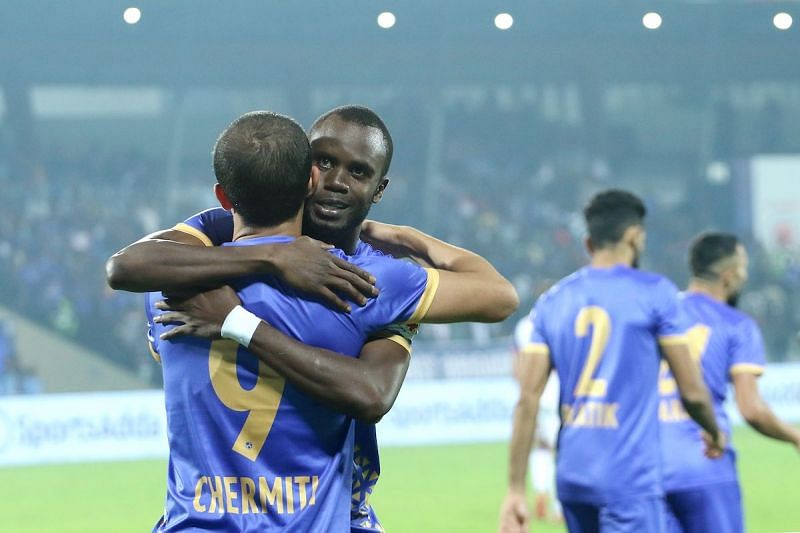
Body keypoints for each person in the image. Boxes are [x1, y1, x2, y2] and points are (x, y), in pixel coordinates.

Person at [110, 106, 519, 531]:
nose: (338, 181)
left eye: (358, 172)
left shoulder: (174, 279)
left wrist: (242, 305)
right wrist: (405, 238)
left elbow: (126, 266)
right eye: (325, 162)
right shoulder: (369, 284)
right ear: (306, 174)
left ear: (226, 197)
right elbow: (499, 296)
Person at [499, 189, 724, 533]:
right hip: (629, 478)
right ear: (635, 236)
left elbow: (527, 400)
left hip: (573, 478)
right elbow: (692, 391)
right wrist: (713, 430)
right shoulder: (656, 293)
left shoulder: (553, 301)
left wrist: (515, 490)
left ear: (589, 243)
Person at [659, 232, 800, 533]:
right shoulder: (737, 325)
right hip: (706, 461)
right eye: (743, 268)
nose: (745, 276)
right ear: (729, 276)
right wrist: (795, 435)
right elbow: (751, 408)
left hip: (648, 466)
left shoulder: (658, 316)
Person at [512, 317, 561, 523]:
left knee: (540, 446)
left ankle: (541, 491)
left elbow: (516, 363)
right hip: (555, 392)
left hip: (533, 393)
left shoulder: (523, 326)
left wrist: (523, 389)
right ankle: (559, 506)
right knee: (560, 449)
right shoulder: (556, 320)